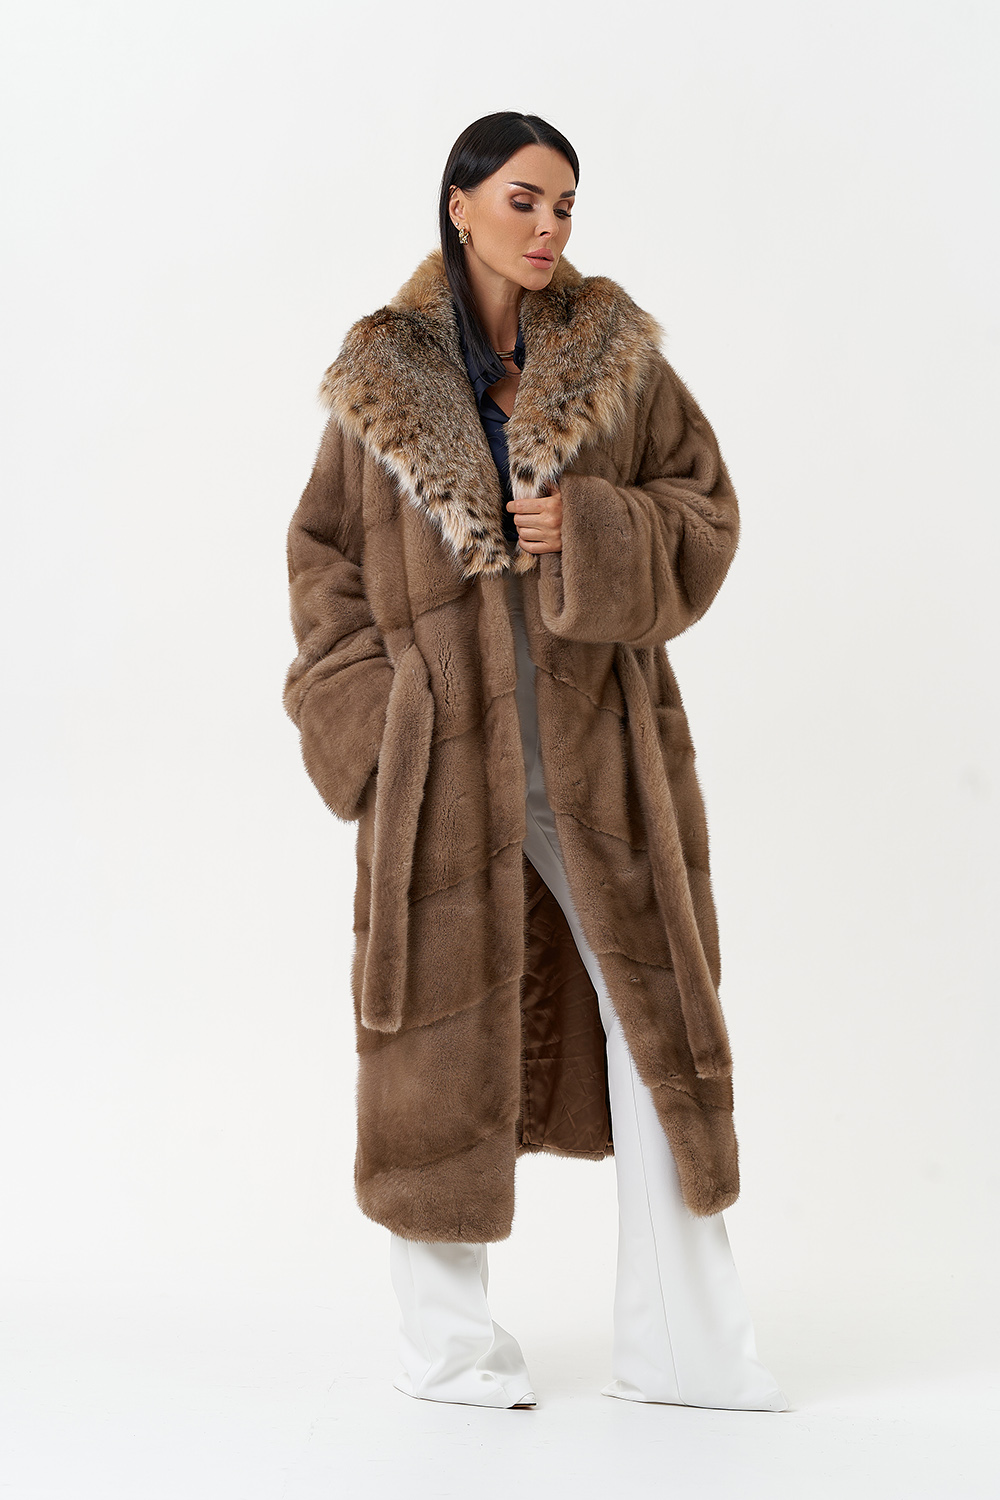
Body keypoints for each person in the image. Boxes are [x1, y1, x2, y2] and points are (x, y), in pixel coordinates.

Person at [283, 111, 789, 1414]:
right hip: (443, 765)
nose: (551, 227)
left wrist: (593, 527)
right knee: (434, 1047)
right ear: (460, 205)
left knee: (658, 1028)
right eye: (525, 200)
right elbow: (323, 560)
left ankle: (687, 1352)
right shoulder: (382, 374)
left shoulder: (613, 356)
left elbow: (706, 512)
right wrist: (374, 730)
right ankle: (447, 1354)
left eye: (566, 205)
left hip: (599, 757)